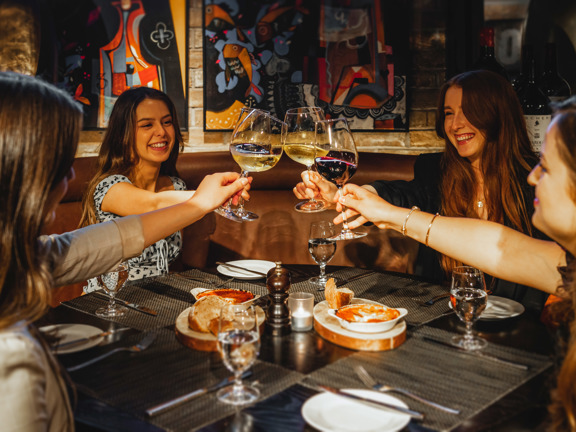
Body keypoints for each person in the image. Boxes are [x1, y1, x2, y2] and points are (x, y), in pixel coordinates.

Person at [0, 71, 248, 431]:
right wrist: (201, 201)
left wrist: (201, 205)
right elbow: (148, 208)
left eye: (166, 123)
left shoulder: (23, 255)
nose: (70, 176)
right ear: (22, 171)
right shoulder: (12, 356)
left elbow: (108, 240)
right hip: (112, 321)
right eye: (60, 163)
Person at [333, 98, 576, 431]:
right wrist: (386, 212)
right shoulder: (567, 266)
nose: (533, 177)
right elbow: (499, 247)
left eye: (546, 167)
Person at [294, 70, 547, 312]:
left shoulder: (537, 181)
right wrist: (345, 194)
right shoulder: (436, 170)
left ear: (498, 114)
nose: (456, 124)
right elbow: (401, 194)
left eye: (469, 111)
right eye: (449, 113)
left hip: (523, 323)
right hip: (446, 317)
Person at [79, 87, 194, 291]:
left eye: (167, 122)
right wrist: (212, 196)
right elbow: (153, 205)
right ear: (125, 133)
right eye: (147, 125)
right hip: (107, 304)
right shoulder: (109, 187)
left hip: (156, 302)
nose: (161, 132)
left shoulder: (177, 187)